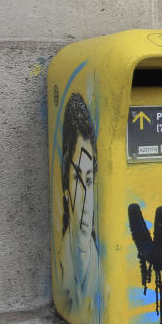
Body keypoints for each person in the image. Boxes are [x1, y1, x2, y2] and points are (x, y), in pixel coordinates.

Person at [58, 92, 98, 311]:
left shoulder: (106, 270)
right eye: (77, 178)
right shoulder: (62, 269)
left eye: (90, 179)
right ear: (65, 188)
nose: (84, 194)